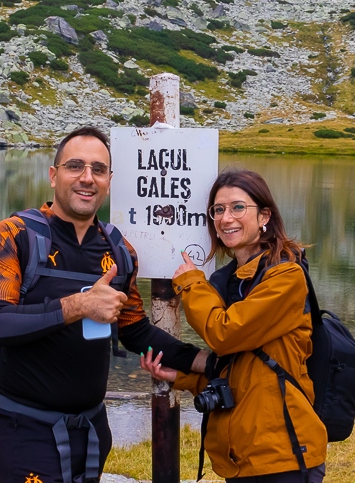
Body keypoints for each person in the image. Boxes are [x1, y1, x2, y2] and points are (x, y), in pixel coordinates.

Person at [0, 126, 206, 483]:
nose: (87, 178)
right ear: (54, 176)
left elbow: (134, 330)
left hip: (92, 427)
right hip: (21, 426)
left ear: (109, 181)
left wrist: (204, 360)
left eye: (98, 169)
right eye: (75, 167)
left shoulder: (119, 251)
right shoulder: (14, 235)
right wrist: (80, 306)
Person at [140, 169, 327, 482]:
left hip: (283, 455)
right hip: (247, 454)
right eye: (218, 210)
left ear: (264, 215)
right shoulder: (230, 281)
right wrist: (183, 377)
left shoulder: (286, 276)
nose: (227, 218)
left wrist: (189, 282)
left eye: (239, 207)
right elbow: (245, 371)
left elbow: (224, 334)